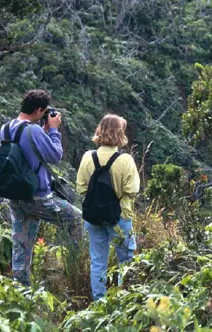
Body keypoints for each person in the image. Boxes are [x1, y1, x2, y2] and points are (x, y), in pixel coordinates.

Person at [4, 89, 82, 286]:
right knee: (76, 220)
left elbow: (28, 151)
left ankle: (20, 288)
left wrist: (44, 132)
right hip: (38, 197)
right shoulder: (34, 130)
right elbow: (55, 156)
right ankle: (76, 267)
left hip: (15, 196)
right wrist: (54, 130)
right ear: (39, 110)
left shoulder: (7, 128)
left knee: (21, 245)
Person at [76, 114, 140, 301]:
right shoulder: (125, 160)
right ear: (120, 133)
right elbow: (133, 190)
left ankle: (99, 303)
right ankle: (123, 302)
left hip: (93, 216)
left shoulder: (89, 156)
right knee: (126, 261)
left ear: (99, 130)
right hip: (119, 216)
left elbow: (81, 188)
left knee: (97, 261)